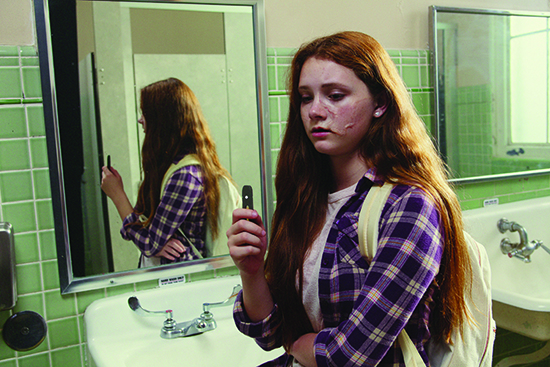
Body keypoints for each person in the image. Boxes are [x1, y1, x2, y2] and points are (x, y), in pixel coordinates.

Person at [227, 32, 473, 366]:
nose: (315, 111)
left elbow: (350, 354)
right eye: (304, 97)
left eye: (335, 95)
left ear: (381, 103)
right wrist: (251, 272)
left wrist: (301, 347)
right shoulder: (305, 199)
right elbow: (271, 333)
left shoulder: (409, 206)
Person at [102, 77, 230, 266]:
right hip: (171, 275)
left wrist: (117, 195)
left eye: (145, 113)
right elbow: (143, 228)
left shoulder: (185, 175)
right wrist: (152, 242)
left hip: (184, 279)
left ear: (162, 120)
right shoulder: (169, 166)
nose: (140, 120)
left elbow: (148, 241)